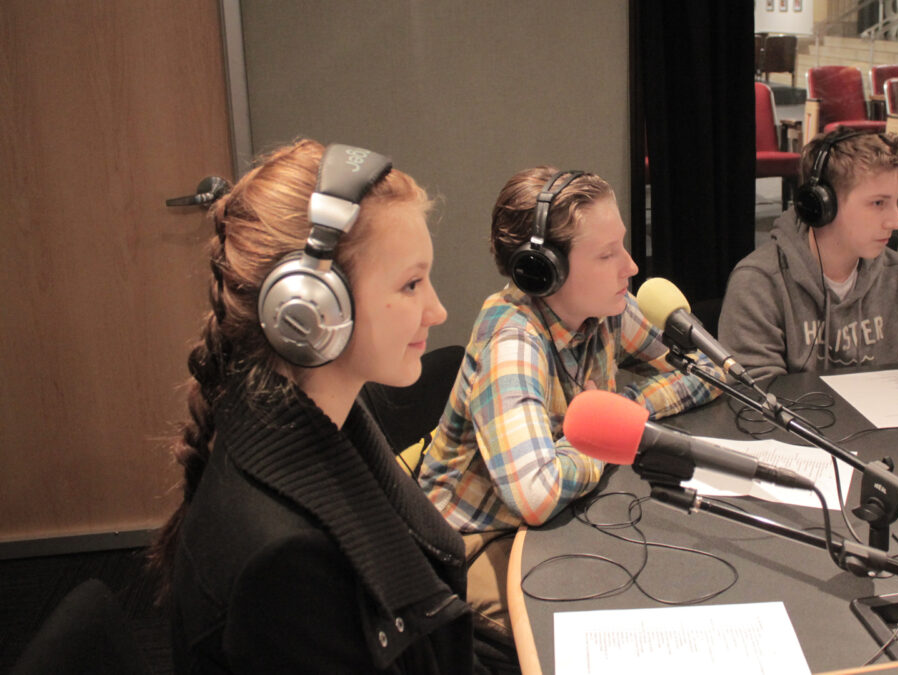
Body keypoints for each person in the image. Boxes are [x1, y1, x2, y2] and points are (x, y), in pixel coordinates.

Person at [148, 140, 498, 673]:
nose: (438, 309)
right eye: (410, 284)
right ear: (310, 308)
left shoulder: (321, 418)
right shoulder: (283, 565)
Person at [418, 167, 725, 644]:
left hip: (559, 521)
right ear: (544, 271)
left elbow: (709, 371)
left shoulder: (607, 309)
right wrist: (611, 430)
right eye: (607, 254)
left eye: (622, 244)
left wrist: (626, 405)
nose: (631, 266)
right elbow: (537, 496)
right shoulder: (513, 339)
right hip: (472, 549)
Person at [718, 130, 898, 382]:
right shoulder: (758, 283)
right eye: (878, 203)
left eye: (897, 201)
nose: (896, 222)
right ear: (821, 205)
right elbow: (756, 398)